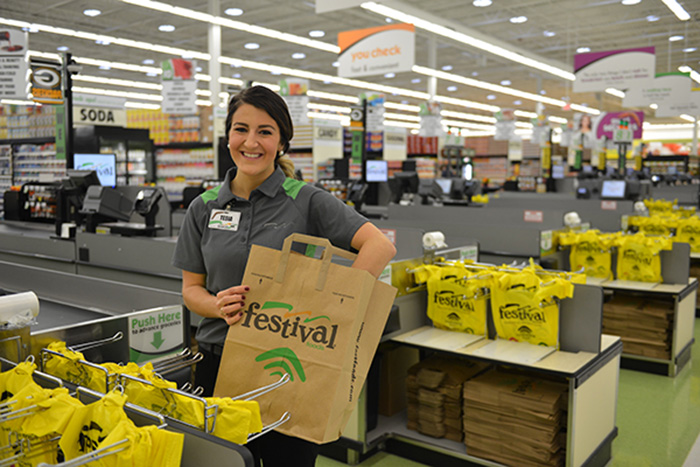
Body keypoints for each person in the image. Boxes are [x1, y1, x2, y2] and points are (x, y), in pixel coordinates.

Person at [171, 85, 396, 467]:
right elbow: (191, 290)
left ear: (281, 142)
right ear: (228, 137)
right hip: (217, 363)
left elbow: (379, 246)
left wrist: (331, 305)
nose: (251, 142)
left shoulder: (305, 200)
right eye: (241, 129)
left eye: (265, 131)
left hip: (287, 366)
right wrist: (216, 304)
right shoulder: (204, 207)